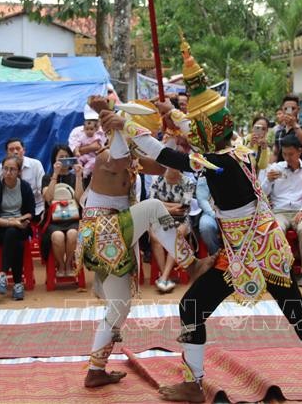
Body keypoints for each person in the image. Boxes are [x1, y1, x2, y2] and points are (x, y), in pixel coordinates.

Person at [99, 38, 302, 401]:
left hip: (243, 253)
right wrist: (172, 110)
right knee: (295, 310)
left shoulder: (215, 161)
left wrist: (127, 124)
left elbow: (162, 152)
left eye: (197, 129)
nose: (194, 135)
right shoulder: (240, 149)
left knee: (191, 308)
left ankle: (194, 384)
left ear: (208, 132)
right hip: (266, 245)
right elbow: (194, 134)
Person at [76, 98, 198, 389]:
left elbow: (163, 166)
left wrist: (171, 137)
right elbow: (119, 157)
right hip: (106, 230)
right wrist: (117, 123)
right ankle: (191, 265)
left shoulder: (129, 158)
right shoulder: (108, 157)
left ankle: (95, 369)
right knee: (155, 206)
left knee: (120, 307)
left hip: (109, 234)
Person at [261, 134, 302, 287]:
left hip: (300, 211)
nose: (288, 157)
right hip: (280, 211)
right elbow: (262, 194)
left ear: (299, 151)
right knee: (276, 228)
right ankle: (279, 270)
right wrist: (268, 180)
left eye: (291, 154)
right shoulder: (275, 169)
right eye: (284, 154)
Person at [0, 155, 35, 300]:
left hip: (21, 224)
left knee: (14, 233)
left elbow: (30, 212)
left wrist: (19, 221)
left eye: (12, 169)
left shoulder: (25, 186)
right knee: (14, 238)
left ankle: (2, 274)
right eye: (5, 169)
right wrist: (12, 222)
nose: (8, 172)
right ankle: (17, 283)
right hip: (0, 227)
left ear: (19, 172)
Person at [149, 166, 195, 293]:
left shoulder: (188, 182)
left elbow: (183, 207)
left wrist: (162, 205)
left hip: (180, 219)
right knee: (155, 237)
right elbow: (152, 203)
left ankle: (163, 278)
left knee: (176, 235)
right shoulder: (156, 179)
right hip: (159, 217)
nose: (172, 171)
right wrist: (170, 208)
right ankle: (165, 277)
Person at [41, 145, 83, 277]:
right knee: (57, 237)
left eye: (67, 157)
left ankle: (69, 263)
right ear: (55, 160)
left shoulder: (74, 176)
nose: (64, 160)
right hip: (53, 220)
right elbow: (48, 198)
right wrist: (55, 174)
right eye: (61, 157)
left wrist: (78, 176)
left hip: (73, 219)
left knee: (72, 234)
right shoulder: (47, 178)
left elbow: (79, 199)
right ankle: (60, 264)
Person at [2, 138, 45, 218]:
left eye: (18, 149)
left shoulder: (36, 164)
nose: (15, 152)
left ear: (24, 150)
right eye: (11, 150)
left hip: (37, 207)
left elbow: (42, 189)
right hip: (12, 208)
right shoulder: (3, 166)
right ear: (7, 153)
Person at [274, 95, 302, 162]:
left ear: (298, 110)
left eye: (293, 109)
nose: (289, 111)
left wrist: (294, 125)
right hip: (282, 169)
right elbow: (275, 154)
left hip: (301, 169)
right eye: (286, 109)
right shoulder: (279, 132)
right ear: (282, 110)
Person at [195, 176, 221, 256]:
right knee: (206, 226)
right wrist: (213, 214)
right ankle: (215, 254)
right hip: (211, 212)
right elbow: (202, 199)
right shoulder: (205, 172)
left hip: (235, 213)